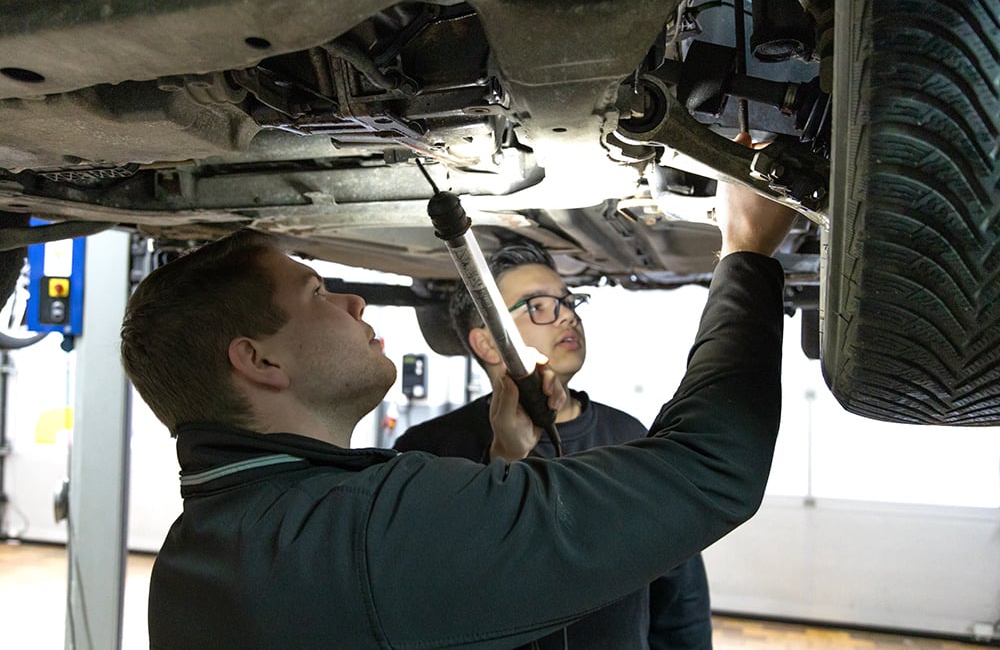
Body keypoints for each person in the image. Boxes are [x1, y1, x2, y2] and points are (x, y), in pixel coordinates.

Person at [120, 170, 796, 649]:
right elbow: (713, 467)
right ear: (259, 360)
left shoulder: (192, 558)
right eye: (317, 290)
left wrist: (503, 464)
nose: (355, 303)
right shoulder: (369, 529)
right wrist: (746, 251)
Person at [393, 240, 713, 648]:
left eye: (568, 301)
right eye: (537, 306)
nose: (568, 317)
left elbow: (679, 595)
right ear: (487, 343)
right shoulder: (430, 449)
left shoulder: (630, 438)